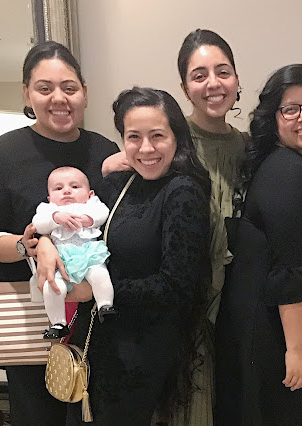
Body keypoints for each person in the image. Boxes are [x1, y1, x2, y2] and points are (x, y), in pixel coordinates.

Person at [0, 41, 119, 426]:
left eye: (69, 88)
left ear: (85, 93)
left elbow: (118, 225)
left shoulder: (105, 151)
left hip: (95, 317)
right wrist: (34, 244)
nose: (59, 98)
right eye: (44, 88)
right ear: (27, 94)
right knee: (37, 414)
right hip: (31, 318)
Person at [58, 87, 210, 425]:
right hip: (97, 342)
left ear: (176, 137)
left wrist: (96, 291)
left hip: (141, 353)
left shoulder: (182, 192)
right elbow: (75, 224)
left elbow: (176, 287)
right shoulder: (119, 184)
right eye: (134, 137)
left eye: (157, 136)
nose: (146, 148)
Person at [215, 64, 302, 425]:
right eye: (290, 109)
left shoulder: (288, 164)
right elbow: (289, 269)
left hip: (268, 323)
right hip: (278, 332)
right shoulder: (288, 173)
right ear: (273, 118)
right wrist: (296, 349)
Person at [33, 166, 115, 340]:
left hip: (88, 254)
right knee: (52, 287)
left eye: (75, 186)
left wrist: (87, 219)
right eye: (58, 188)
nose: (67, 191)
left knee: (100, 275)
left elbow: (103, 213)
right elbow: (38, 224)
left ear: (90, 194)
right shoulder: (48, 209)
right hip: (61, 259)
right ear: (49, 197)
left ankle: (105, 305)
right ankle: (58, 323)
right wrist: (56, 217)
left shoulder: (91, 205)